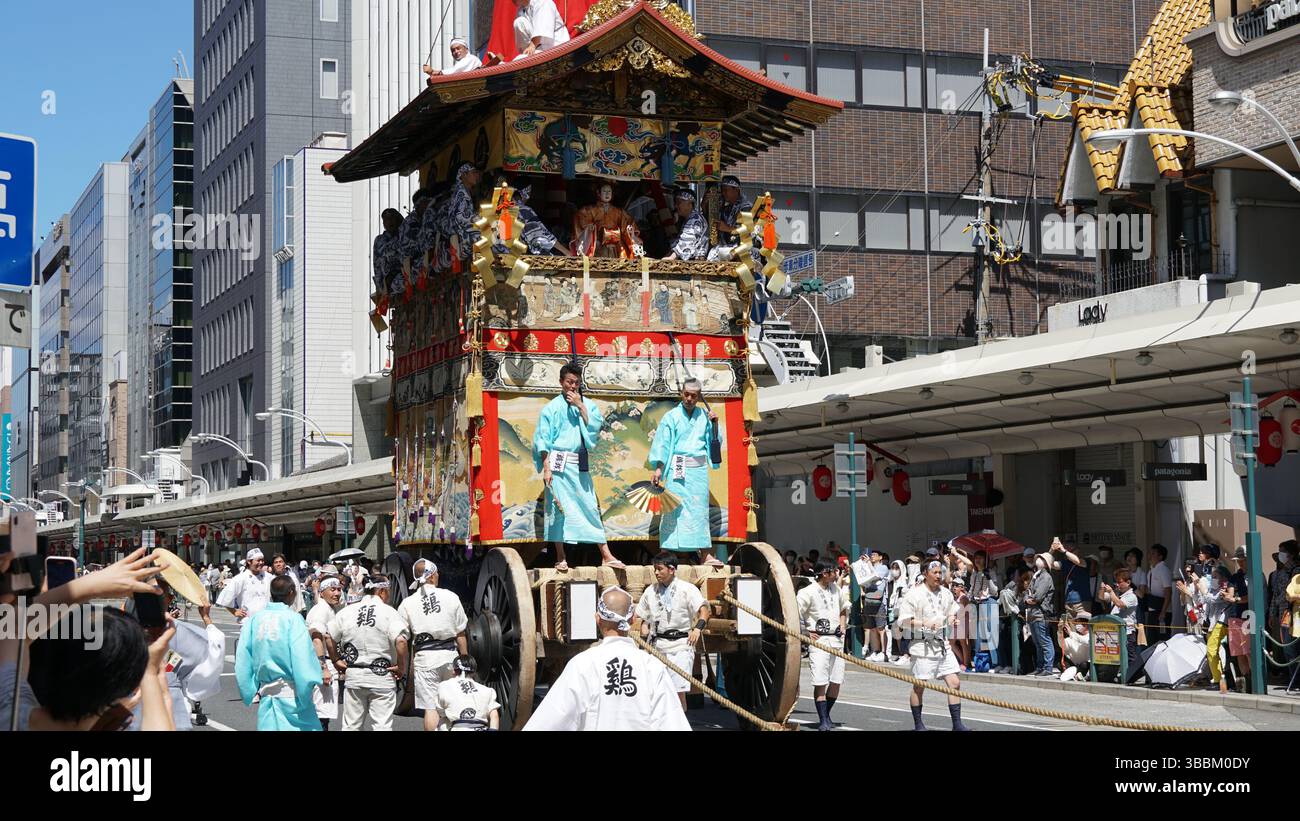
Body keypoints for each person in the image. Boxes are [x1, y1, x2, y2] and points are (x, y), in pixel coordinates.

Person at [1, 549, 175, 731]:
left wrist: (91, 585)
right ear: (125, 691)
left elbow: (12, 628)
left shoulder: (9, 712)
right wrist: (151, 675)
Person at [523, 586, 690, 731]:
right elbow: (672, 723)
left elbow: (550, 721)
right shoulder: (652, 666)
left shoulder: (582, 664)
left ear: (597, 619)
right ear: (633, 620)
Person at [533, 363, 625, 570]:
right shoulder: (551, 408)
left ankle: (606, 554)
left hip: (578, 463)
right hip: (558, 463)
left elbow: (595, 428)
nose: (572, 387)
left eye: (576, 383)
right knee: (558, 509)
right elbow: (543, 440)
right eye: (569, 382)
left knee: (590, 506)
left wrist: (580, 406)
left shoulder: (587, 404)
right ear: (561, 383)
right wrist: (546, 467)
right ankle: (560, 556)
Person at [648, 378, 724, 566]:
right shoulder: (671, 417)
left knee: (699, 512)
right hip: (677, 468)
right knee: (673, 508)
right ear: (681, 393)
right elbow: (663, 445)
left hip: (697, 470)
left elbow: (714, 442)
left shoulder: (705, 416)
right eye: (686, 394)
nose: (689, 398)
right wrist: (659, 469)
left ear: (698, 397)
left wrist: (715, 425)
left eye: (694, 396)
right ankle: (665, 552)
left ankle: (705, 554)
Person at [235, 576, 322, 731]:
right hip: (292, 695)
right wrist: (306, 688)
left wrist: (248, 688)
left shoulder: (255, 619)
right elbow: (302, 657)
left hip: (267, 694)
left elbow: (243, 657)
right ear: (291, 592)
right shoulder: (293, 619)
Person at [327, 576, 409, 731]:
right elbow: (401, 641)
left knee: (351, 725)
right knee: (381, 726)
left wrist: (336, 659)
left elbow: (329, 636)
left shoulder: (348, 611)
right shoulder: (389, 612)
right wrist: (401, 666)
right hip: (382, 676)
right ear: (382, 591)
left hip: (354, 675)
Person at [898, 559, 970, 731]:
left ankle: (957, 724)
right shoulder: (913, 594)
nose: (938, 576)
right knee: (919, 685)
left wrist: (952, 619)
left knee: (954, 682)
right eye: (935, 572)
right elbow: (903, 620)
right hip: (922, 645)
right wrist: (926, 623)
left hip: (942, 645)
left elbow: (952, 611)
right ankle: (918, 724)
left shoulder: (945, 593)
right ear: (925, 574)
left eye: (940, 572)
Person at [398, 558, 469, 731]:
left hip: (425, 659)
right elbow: (460, 633)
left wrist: (401, 664)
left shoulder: (407, 603)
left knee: (431, 708)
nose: (438, 576)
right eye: (436, 573)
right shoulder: (451, 596)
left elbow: (401, 638)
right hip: (449, 656)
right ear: (430, 577)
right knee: (453, 704)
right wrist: (464, 657)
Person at [636, 552, 711, 711]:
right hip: (657, 647)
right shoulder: (651, 590)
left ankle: (680, 724)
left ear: (672, 569)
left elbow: (704, 610)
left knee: (678, 692)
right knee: (656, 690)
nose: (656, 573)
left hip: (681, 646)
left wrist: (697, 629)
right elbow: (641, 616)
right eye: (655, 569)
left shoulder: (687, 589)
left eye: (660, 569)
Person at [797, 560, 849, 731]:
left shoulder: (837, 590)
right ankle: (823, 720)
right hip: (819, 641)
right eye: (834, 571)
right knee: (820, 681)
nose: (837, 573)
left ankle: (827, 715)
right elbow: (796, 613)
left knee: (836, 681)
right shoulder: (807, 592)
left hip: (837, 640)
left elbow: (843, 608)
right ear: (824, 573)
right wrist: (806, 631)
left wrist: (842, 625)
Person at [1179, 565, 1234, 693]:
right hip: (1211, 622)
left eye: (1216, 577)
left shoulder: (1224, 590)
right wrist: (1196, 588)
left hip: (1221, 620)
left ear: (1223, 578)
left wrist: (1200, 585)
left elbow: (1213, 600)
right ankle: (1221, 678)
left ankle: (1218, 679)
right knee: (1212, 651)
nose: (1213, 579)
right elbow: (1202, 600)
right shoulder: (1212, 589)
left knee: (1212, 649)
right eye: (1212, 576)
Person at [306, 576, 345, 730]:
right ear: (321, 593)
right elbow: (316, 637)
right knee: (320, 712)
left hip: (326, 662)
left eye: (339, 590)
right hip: (320, 663)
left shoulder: (329, 608)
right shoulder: (321, 610)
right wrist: (323, 668)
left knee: (323, 713)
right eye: (332, 590)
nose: (337, 593)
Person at [573, 181, 644, 258]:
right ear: (598, 193)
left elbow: (627, 224)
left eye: (609, 191)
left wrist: (630, 231)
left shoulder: (619, 212)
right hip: (597, 246)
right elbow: (582, 219)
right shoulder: (589, 210)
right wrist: (589, 227)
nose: (607, 194)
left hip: (616, 247)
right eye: (604, 191)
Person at [1098, 569, 1142, 685]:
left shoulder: (1132, 596)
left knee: (1130, 656)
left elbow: (1120, 605)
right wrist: (1102, 588)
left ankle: (1132, 677)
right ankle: (1121, 675)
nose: (1117, 584)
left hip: (1127, 631)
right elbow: (1102, 598)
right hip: (1115, 632)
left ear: (1128, 582)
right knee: (1116, 655)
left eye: (1120, 582)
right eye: (1116, 581)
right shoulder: (1117, 594)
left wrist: (1111, 592)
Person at [432, 655, 501, 730]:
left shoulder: (444, 686)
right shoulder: (488, 691)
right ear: (474, 672)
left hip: (457, 728)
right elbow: (494, 715)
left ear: (453, 671)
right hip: (480, 728)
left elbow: (440, 711)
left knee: (443, 720)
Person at [441, 163, 484, 272]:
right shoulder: (461, 192)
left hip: (461, 231)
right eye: (473, 173)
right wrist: (479, 218)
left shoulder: (463, 190)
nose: (476, 176)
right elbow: (459, 217)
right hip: (461, 233)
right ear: (464, 175)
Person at [217, 547, 274, 624]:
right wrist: (234, 611)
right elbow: (226, 596)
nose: (261, 563)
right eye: (258, 560)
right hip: (247, 621)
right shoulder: (241, 578)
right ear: (249, 562)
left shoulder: (268, 577)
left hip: (266, 622)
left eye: (262, 560)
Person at [1022, 551, 1056, 676]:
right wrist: (1028, 599)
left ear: (1046, 564)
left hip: (1041, 613)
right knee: (1037, 642)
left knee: (1044, 640)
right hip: (1032, 613)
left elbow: (1038, 596)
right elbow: (1026, 593)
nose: (1039, 559)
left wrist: (1030, 599)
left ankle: (1047, 667)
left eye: (1042, 558)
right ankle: (1040, 666)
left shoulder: (1046, 577)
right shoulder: (1036, 576)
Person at [706, 175, 753, 262]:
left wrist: (727, 228)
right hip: (726, 247)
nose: (723, 193)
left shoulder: (746, 207)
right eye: (722, 190)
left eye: (726, 190)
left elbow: (748, 230)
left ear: (736, 190)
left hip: (741, 249)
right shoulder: (726, 207)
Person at [968, 549, 1000, 670]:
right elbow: (972, 588)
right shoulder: (975, 573)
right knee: (979, 636)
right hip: (977, 603)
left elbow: (995, 591)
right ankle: (981, 662)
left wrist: (988, 577)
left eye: (980, 558)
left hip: (988, 602)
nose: (977, 560)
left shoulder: (991, 571)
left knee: (991, 634)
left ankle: (996, 663)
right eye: (976, 558)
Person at [1227, 546, 1253, 692]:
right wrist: (1231, 597)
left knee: (1248, 650)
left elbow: (1250, 597)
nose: (1240, 563)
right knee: (1238, 652)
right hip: (1234, 616)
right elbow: (1230, 594)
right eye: (1239, 560)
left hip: (1250, 616)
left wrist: (1234, 598)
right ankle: (1246, 681)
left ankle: (1254, 681)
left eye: (1243, 560)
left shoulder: (1255, 575)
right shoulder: (1235, 577)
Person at [664, 187, 709, 261]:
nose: (676, 206)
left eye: (679, 203)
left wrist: (672, 257)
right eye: (675, 203)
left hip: (696, 263)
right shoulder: (689, 218)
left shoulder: (695, 219)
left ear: (690, 204)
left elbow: (687, 241)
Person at [372, 208, 403, 301]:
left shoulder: (404, 234)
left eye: (391, 218)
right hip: (388, 283)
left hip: (403, 274)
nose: (389, 222)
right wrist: (381, 288)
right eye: (386, 220)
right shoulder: (379, 240)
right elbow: (376, 265)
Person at [1145, 544, 1172, 643]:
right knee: (1152, 638)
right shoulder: (1152, 570)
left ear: (1160, 556)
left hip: (1162, 610)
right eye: (1150, 553)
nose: (1150, 556)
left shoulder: (1163, 569)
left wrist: (1163, 612)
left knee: (1162, 638)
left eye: (1153, 554)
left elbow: (1168, 591)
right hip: (1153, 607)